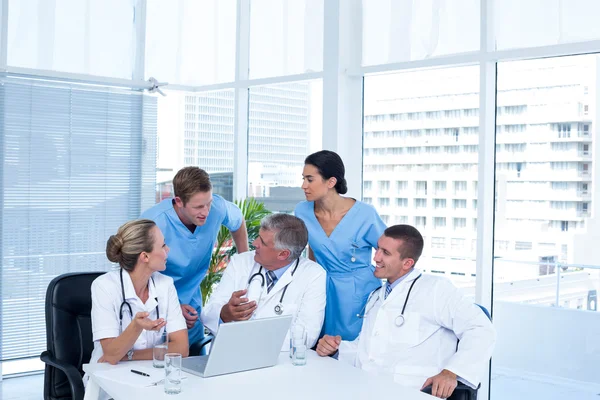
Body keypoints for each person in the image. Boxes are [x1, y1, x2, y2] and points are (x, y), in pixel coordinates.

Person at [316, 225, 496, 399]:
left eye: (385, 253)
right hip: (369, 388)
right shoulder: (377, 296)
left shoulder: (435, 289)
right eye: (378, 249)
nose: (376, 257)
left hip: (413, 391)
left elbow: (480, 329)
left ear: (407, 263)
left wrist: (452, 372)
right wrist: (336, 349)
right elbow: (368, 350)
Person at [141, 167, 249, 346]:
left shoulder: (217, 207)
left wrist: (244, 260)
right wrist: (171, 307)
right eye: (198, 206)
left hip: (191, 304)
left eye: (208, 203)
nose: (206, 212)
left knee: (193, 359)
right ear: (179, 201)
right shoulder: (153, 222)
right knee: (158, 360)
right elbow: (136, 274)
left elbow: (238, 221)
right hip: (155, 306)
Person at [86, 220, 188, 398]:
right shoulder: (104, 287)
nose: (168, 250)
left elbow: (181, 348)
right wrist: (137, 326)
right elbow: (111, 355)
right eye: (163, 245)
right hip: (109, 381)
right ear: (145, 256)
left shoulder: (165, 284)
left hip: (153, 378)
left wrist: (129, 355)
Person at [294, 150, 386, 340]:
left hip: (358, 291)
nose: (303, 185)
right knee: (317, 344)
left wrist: (387, 285)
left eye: (310, 179)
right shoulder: (302, 211)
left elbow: (391, 250)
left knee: (355, 348)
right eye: (303, 179)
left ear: (331, 182)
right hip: (321, 288)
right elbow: (313, 247)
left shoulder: (365, 214)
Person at [201, 213, 326, 349]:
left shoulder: (313, 274)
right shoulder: (240, 262)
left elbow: (307, 336)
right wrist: (224, 314)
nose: (254, 243)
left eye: (262, 242)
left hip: (281, 363)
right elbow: (208, 313)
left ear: (283, 254)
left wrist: (251, 342)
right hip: (230, 355)